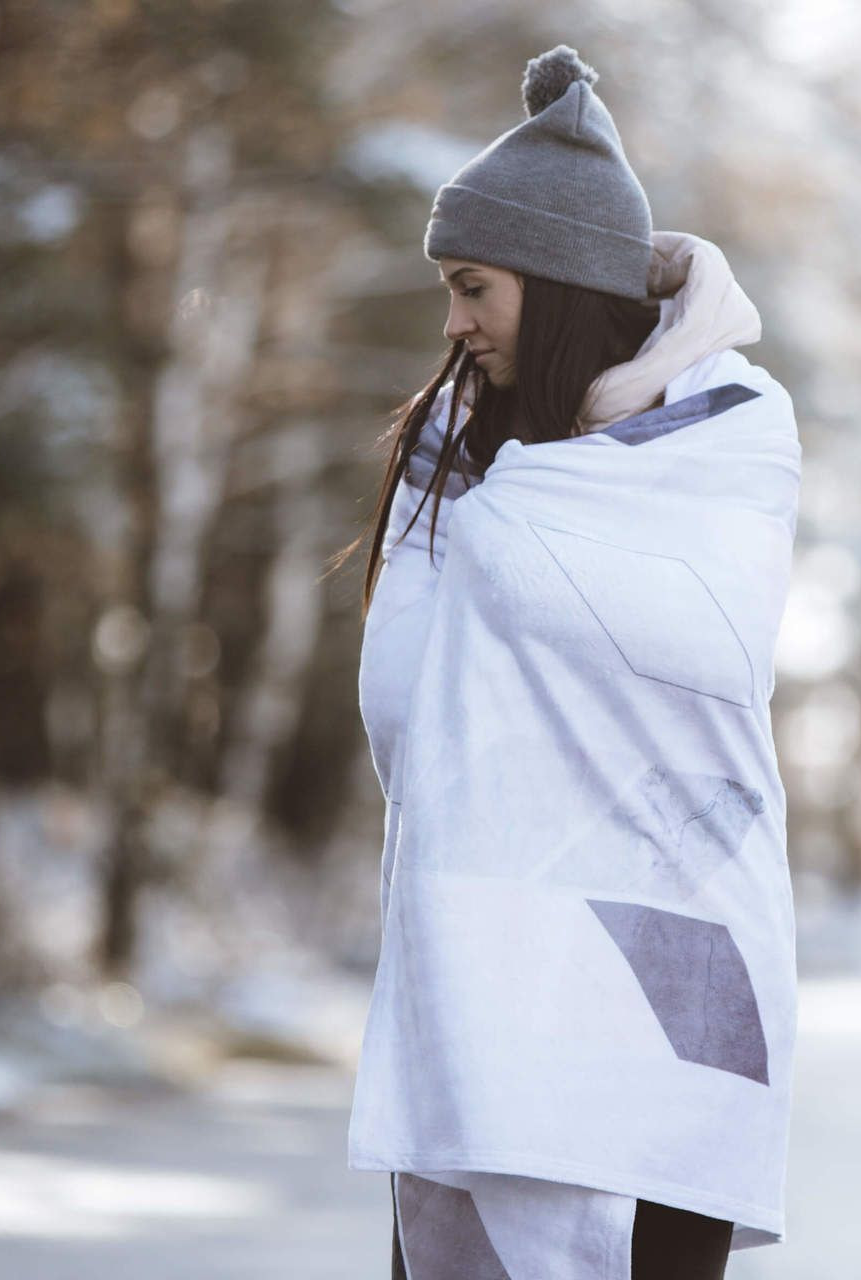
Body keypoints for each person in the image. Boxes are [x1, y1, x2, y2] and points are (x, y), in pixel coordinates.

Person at [328, 44, 802, 1280]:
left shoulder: (734, 434)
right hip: (483, 975)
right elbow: (400, 708)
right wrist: (478, 484)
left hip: (676, 978)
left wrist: (506, 496)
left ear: (552, 278)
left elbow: (707, 638)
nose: (452, 320)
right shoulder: (456, 455)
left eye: (472, 284)